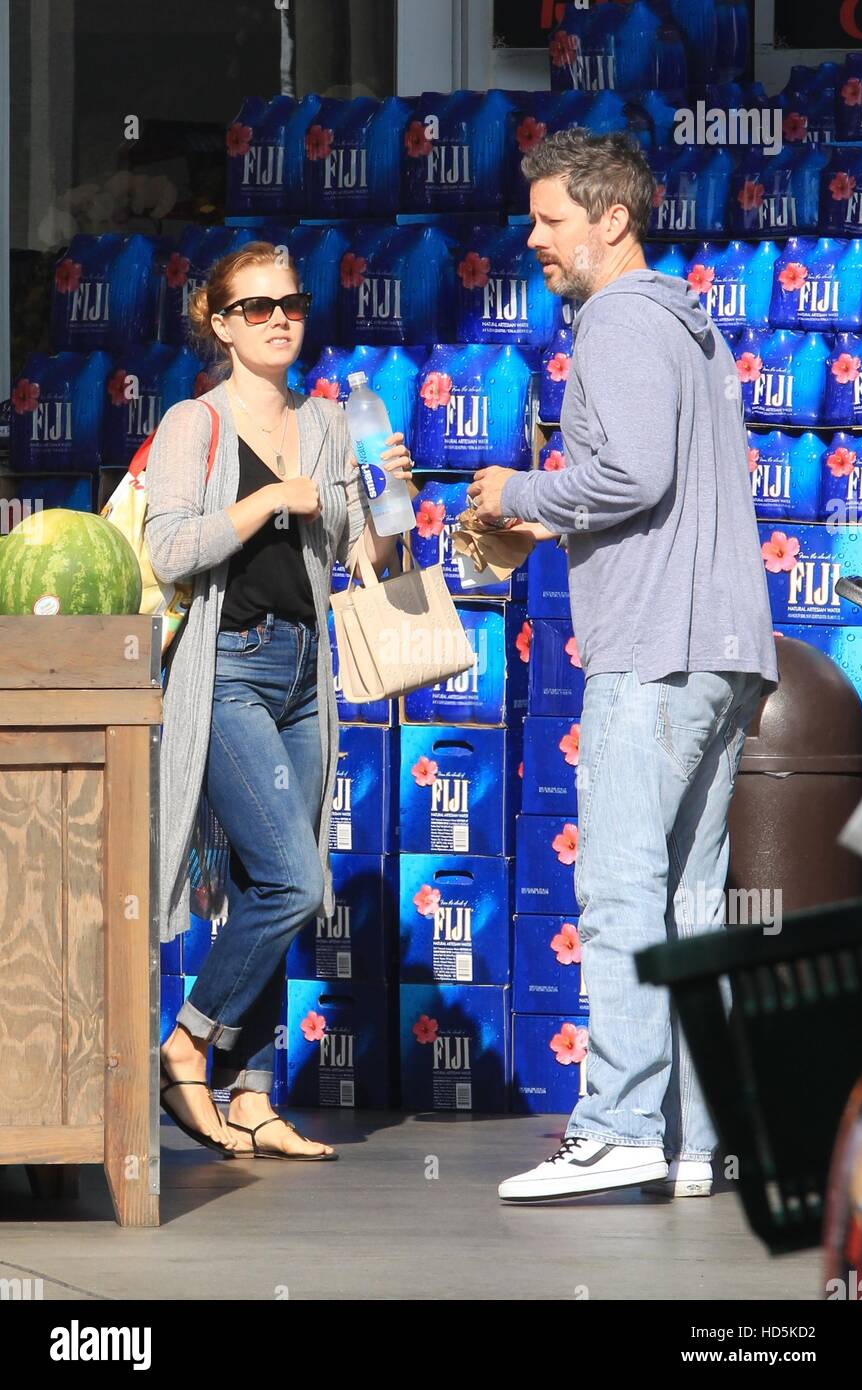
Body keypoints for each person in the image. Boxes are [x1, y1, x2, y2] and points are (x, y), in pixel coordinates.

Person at [468, 129, 779, 1202]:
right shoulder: (688, 323)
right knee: (689, 902)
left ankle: (615, 1126)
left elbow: (628, 475)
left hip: (652, 650)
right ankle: (695, 1138)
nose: (534, 236)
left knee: (618, 895)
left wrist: (517, 495)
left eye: (551, 218)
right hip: (724, 648)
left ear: (612, 220)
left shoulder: (612, 319)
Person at [145, 242, 414, 1159]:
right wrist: (267, 504)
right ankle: (187, 1040)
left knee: (273, 885)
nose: (277, 321)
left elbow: (357, 558)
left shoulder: (330, 421)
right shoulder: (196, 423)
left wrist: (391, 503)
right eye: (255, 308)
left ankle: (253, 1095)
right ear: (220, 324)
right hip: (228, 668)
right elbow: (170, 551)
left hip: (307, 671)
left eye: (290, 304)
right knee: (299, 881)